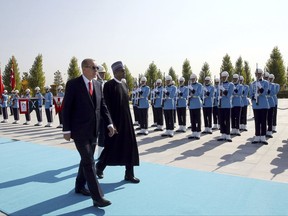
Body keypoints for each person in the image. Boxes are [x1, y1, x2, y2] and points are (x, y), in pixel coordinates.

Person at [62, 58, 115, 208]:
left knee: (87, 159)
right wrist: (66, 130)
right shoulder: (73, 84)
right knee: (89, 162)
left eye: (97, 68)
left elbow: (102, 105)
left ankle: (79, 185)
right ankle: (97, 197)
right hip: (78, 131)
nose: (96, 70)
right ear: (84, 68)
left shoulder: (98, 84)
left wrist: (109, 123)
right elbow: (66, 108)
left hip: (94, 130)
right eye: (94, 67)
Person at [96, 61, 140, 184]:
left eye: (124, 70)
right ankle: (99, 167)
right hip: (115, 123)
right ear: (115, 72)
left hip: (127, 123)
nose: (124, 72)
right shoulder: (109, 85)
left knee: (130, 146)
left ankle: (129, 174)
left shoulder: (125, 85)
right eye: (122, 70)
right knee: (111, 147)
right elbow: (106, 106)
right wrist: (111, 123)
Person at [249, 68, 269, 144]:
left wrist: (260, 86)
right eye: (256, 74)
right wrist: (254, 96)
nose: (257, 75)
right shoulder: (252, 84)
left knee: (263, 121)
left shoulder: (266, 83)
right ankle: (257, 136)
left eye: (259, 74)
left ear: (262, 74)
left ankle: (263, 137)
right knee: (257, 121)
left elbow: (264, 93)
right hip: (256, 105)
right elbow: (250, 94)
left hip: (263, 104)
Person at [217, 71, 234, 142]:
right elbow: (218, 94)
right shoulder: (220, 85)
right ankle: (223, 134)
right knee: (221, 120)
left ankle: (228, 134)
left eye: (224, 77)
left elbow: (229, 95)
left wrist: (223, 89)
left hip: (227, 105)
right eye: (222, 77)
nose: (223, 78)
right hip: (220, 105)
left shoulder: (231, 84)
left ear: (227, 77)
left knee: (227, 120)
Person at [188, 74, 203, 139]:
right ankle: (193, 132)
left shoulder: (199, 85)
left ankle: (198, 132)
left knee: (198, 119)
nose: (192, 80)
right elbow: (188, 94)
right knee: (192, 119)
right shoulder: (189, 85)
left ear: (196, 79)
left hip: (197, 103)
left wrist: (192, 90)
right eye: (191, 79)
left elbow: (198, 93)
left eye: (193, 79)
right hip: (191, 104)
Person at [263, 72, 275, 138]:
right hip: (264, 103)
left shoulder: (272, 85)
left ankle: (270, 131)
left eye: (267, 78)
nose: (266, 79)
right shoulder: (262, 84)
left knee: (270, 118)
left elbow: (273, 93)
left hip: (270, 102)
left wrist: (267, 91)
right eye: (264, 78)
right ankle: (263, 131)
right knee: (264, 119)